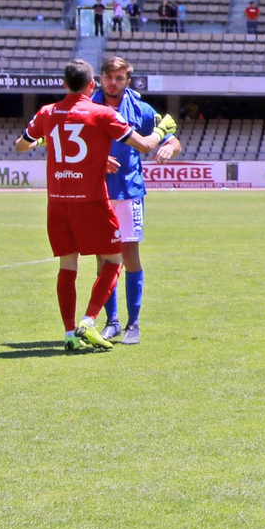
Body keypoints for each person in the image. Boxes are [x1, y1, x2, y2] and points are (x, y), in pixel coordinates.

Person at [13, 58, 158, 351]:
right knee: (114, 260)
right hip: (91, 200)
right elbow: (143, 145)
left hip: (57, 201)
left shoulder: (47, 112)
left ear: (64, 84)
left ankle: (69, 334)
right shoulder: (101, 113)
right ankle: (90, 320)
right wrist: (161, 131)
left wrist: (44, 142)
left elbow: (21, 144)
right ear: (92, 84)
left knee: (68, 265)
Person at [93, 56, 181, 345]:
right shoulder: (90, 107)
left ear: (127, 81)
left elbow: (173, 138)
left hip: (129, 191)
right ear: (100, 78)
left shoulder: (141, 109)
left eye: (119, 78)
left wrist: (170, 149)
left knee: (129, 256)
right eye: (109, 77)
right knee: (104, 258)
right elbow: (76, 145)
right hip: (97, 191)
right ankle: (111, 322)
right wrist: (95, 159)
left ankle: (133, 323)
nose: (113, 83)